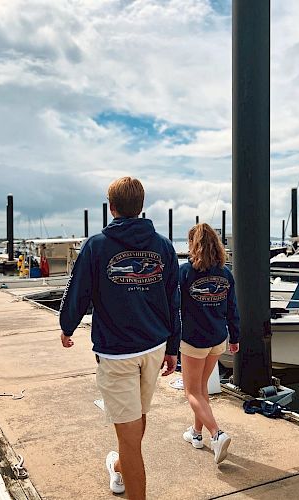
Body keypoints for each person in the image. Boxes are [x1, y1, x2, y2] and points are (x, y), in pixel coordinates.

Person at [59, 177, 180, 499]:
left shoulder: (97, 245)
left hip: (117, 353)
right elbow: (173, 301)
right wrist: (172, 347)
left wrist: (67, 326)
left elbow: (78, 292)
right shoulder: (164, 245)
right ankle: (119, 468)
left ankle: (126, 474)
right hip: (154, 347)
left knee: (129, 437)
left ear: (111, 207)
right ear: (141, 206)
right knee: (136, 418)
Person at [179, 223, 240, 464]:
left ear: (193, 245)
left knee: (191, 391)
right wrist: (235, 337)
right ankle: (196, 434)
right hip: (217, 339)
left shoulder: (185, 272)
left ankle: (217, 433)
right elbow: (233, 308)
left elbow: (175, 308)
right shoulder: (226, 274)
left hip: (194, 340)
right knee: (201, 388)